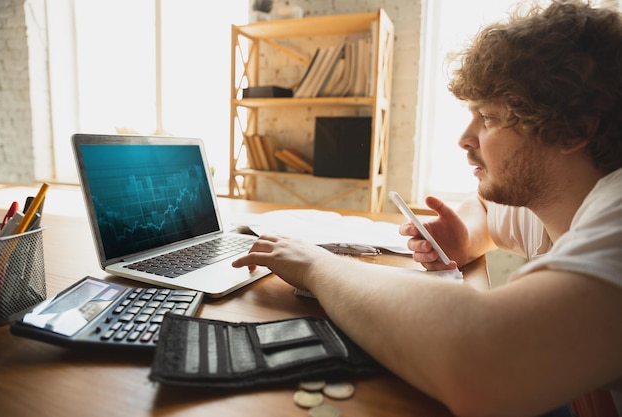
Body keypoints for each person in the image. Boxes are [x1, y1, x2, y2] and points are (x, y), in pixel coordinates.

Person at [232, 1, 622, 416]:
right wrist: (468, 236)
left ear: (575, 130)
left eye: (487, 118)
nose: (465, 138)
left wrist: (315, 265)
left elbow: (481, 362)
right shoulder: (558, 195)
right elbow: (486, 209)